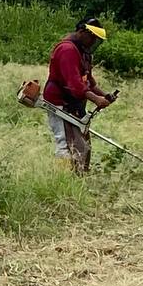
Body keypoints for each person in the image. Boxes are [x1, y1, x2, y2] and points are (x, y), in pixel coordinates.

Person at [44, 17, 115, 174]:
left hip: (74, 104)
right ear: (82, 31)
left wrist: (105, 96)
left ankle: (79, 175)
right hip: (60, 103)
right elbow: (75, 85)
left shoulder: (83, 52)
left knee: (81, 143)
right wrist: (96, 99)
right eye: (92, 38)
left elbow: (89, 81)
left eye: (96, 40)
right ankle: (62, 179)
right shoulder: (67, 50)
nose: (93, 42)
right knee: (65, 143)